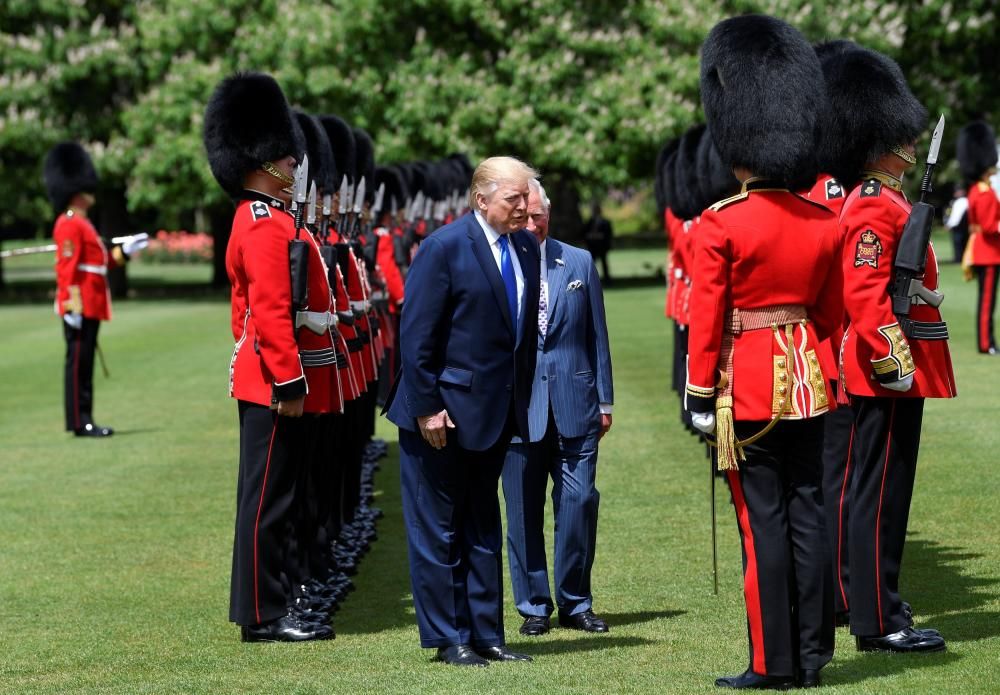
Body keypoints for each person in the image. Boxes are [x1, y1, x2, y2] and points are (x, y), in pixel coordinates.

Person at [687, 15, 841, 689]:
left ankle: (770, 662)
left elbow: (705, 319)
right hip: (809, 379)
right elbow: (832, 315)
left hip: (746, 386)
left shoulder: (722, 222)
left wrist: (697, 394)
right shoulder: (824, 222)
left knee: (762, 524)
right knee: (809, 514)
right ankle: (812, 656)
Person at [385, 156, 541, 667]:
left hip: (494, 413)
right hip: (442, 415)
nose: (525, 207)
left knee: (481, 526)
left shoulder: (524, 246)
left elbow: (518, 339)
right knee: (438, 530)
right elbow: (417, 335)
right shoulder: (444, 247)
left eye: (527, 197)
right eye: (513, 199)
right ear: (481, 199)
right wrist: (428, 407)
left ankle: (487, 634)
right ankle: (448, 637)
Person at [204, 71, 340, 643]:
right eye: (284, 157)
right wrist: (288, 383)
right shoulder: (259, 223)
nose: (292, 164)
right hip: (272, 382)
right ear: (260, 159)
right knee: (267, 502)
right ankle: (262, 615)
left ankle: (279, 602)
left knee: (282, 498)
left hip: (281, 379)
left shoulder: (275, 216)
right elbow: (270, 311)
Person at [834, 46, 957, 654]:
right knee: (878, 496)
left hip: (898, 363)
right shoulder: (871, 208)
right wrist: (891, 353)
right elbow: (864, 292)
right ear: (879, 141)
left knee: (884, 492)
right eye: (900, 136)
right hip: (885, 370)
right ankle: (878, 621)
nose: (910, 143)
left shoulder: (891, 202)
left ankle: (879, 602)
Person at [500, 179, 614, 637]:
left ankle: (575, 600)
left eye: (538, 215)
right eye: (524, 216)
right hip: (520, 406)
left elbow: (597, 335)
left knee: (579, 502)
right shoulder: (501, 263)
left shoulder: (579, 261)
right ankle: (533, 606)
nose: (532, 223)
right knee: (523, 511)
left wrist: (605, 399)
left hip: (576, 401)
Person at [44, 142, 147, 438]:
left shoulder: (83, 224)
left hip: (91, 301)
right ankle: (80, 420)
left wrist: (125, 252)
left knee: (84, 363)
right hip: (81, 304)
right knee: (78, 364)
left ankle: (83, 417)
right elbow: (67, 270)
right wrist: (71, 306)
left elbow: (99, 263)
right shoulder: (70, 223)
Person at [957, 120, 1000, 354]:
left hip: (988, 251)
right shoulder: (983, 193)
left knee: (988, 301)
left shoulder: (980, 190)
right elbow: (990, 225)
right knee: (987, 302)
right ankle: (986, 344)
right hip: (988, 252)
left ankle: (988, 342)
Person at [582, 201, 613, 284]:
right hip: (592, 246)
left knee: (604, 263)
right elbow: (584, 233)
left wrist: (600, 236)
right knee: (591, 265)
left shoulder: (605, 222)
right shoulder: (589, 222)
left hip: (602, 246)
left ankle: (607, 280)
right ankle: (591, 281)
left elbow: (608, 234)